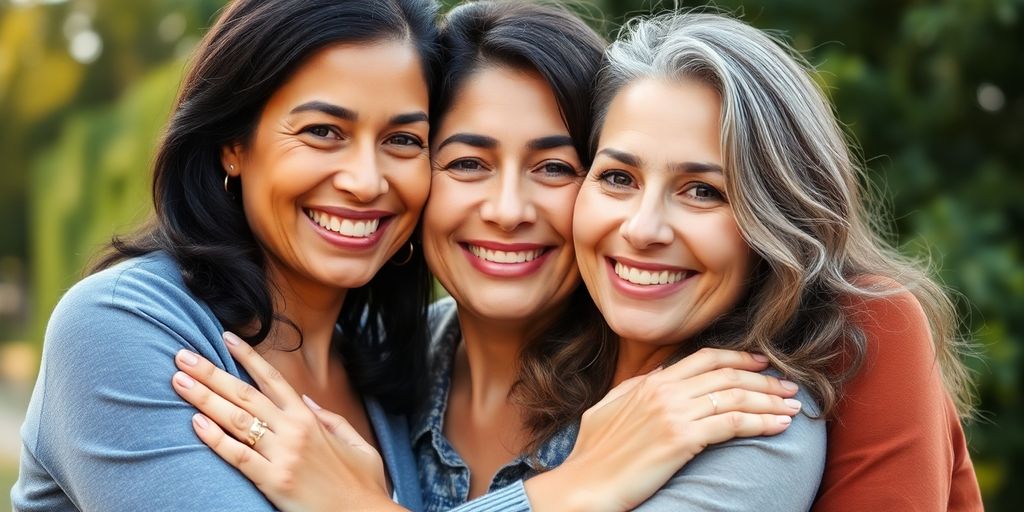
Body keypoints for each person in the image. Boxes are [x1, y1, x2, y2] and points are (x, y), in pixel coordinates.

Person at [169, 4, 815, 512]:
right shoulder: (388, 366)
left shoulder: (730, 408)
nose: (508, 211)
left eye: (554, 167)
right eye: (467, 163)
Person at [12, 0, 442, 510]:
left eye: (403, 139)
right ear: (233, 145)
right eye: (322, 131)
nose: (367, 182)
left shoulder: (395, 360)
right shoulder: (118, 327)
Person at [565, 11, 980, 510]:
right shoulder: (546, 339)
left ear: (777, 215)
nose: (642, 229)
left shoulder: (855, 335)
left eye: (703, 191)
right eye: (618, 178)